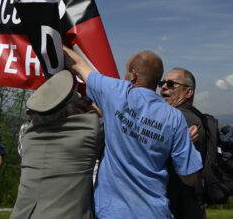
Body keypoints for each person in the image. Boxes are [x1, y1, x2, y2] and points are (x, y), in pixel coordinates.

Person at [64, 46, 202, 218]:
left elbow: (77, 63)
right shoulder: (175, 118)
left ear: (133, 75)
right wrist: (184, 144)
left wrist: (45, 31)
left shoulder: (115, 92)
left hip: (112, 212)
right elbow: (189, 177)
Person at [11, 70, 103, 219]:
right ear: (66, 112)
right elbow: (109, 119)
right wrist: (91, 102)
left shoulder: (30, 135)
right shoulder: (88, 132)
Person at [160, 68, 206, 219]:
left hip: (179, 207)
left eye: (171, 84)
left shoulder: (182, 118)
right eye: (163, 83)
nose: (164, 87)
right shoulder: (183, 116)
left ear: (188, 92)